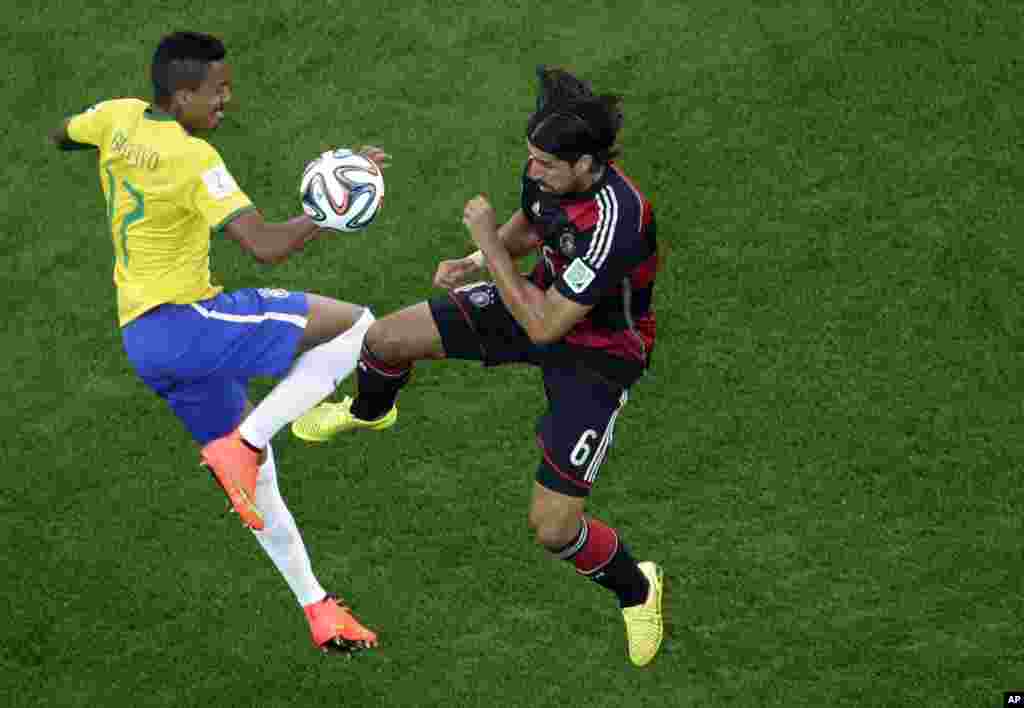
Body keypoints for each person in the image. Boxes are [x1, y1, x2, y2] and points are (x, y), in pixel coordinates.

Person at [292, 66, 664, 666]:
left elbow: (545, 326)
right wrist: (477, 259)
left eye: (546, 164)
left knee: (552, 527)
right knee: (387, 339)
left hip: (598, 354)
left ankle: (637, 588)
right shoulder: (549, 172)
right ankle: (368, 414)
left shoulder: (619, 221)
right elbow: (530, 226)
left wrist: (487, 245)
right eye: (531, 159)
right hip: (537, 295)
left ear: (585, 164)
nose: (534, 171)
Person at [50, 31, 384, 655]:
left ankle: (318, 609)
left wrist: (100, 146)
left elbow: (66, 132)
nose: (227, 100)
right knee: (361, 325)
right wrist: (334, 207)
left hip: (144, 341)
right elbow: (266, 245)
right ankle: (248, 441)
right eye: (217, 90)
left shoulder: (116, 117)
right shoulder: (192, 158)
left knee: (261, 490)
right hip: (190, 321)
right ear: (181, 96)